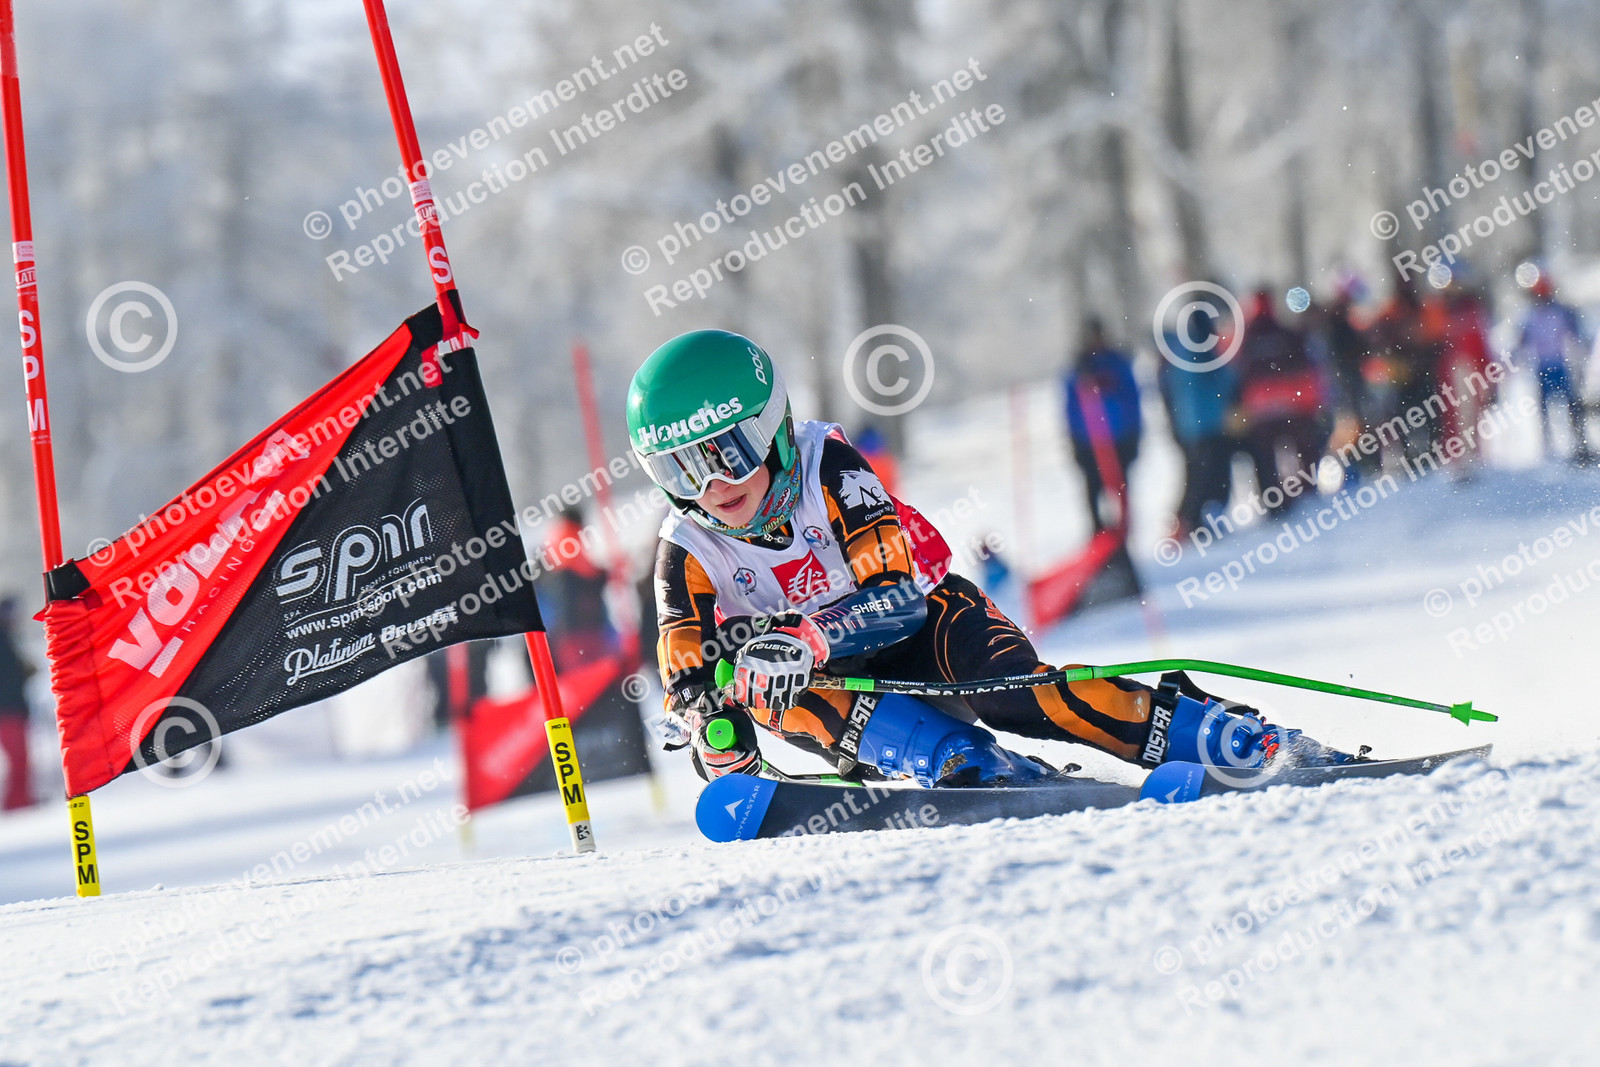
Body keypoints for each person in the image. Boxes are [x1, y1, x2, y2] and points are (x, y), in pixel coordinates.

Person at [627, 330, 1350, 788]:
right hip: (841, 688)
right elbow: (687, 675)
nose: (712, 486)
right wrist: (717, 739)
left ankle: (1230, 738)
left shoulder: (829, 468)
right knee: (766, 684)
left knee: (1016, 696)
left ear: (771, 429)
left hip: (929, 623)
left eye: (726, 453)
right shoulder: (687, 548)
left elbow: (895, 600)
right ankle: (967, 764)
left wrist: (808, 636)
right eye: (679, 470)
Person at [1233, 288, 1330, 516]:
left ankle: (1274, 501)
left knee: (1267, 458)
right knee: (1303, 448)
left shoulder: (1247, 339)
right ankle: (1306, 490)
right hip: (1292, 403)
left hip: (1261, 410)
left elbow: (1239, 373)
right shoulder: (1285, 333)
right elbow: (1304, 363)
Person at [1158, 305, 1238, 533]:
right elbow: (1222, 380)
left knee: (1195, 476)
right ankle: (1193, 520)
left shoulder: (1180, 350)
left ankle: (1189, 521)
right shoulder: (1206, 350)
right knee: (1210, 476)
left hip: (1188, 424)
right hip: (1210, 423)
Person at [1064, 318, 1143, 532]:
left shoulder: (1117, 363)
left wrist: (1134, 434)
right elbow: (1070, 409)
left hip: (1119, 438)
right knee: (1093, 489)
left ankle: (1123, 533)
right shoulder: (1077, 369)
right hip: (1090, 442)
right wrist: (1076, 441)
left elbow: (1132, 399)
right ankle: (1099, 533)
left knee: (1121, 489)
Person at [1518, 275, 1592, 464]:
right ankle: (1549, 447)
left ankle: (1579, 442)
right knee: (1545, 408)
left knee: (1571, 405)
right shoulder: (1530, 315)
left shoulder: (1560, 311)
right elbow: (1522, 340)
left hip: (1561, 365)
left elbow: (1575, 334)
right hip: (1543, 367)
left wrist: (1580, 357)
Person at [0, 597, 36, 811]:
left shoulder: (9, 638)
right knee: (18, 758)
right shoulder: (3, 640)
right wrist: (23, 672)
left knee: (20, 758)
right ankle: (17, 803)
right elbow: (8, 676)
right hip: (7, 709)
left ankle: (20, 800)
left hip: (13, 708)